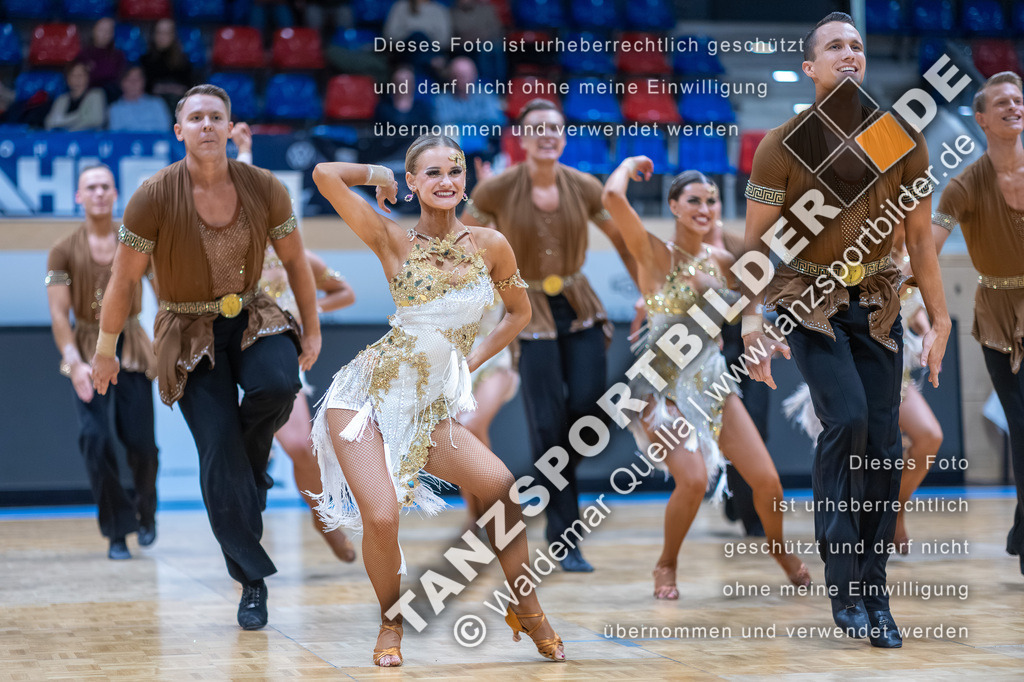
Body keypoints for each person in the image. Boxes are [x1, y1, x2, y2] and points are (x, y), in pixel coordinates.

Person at [310, 136, 565, 666]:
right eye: (431, 173)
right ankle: (390, 622)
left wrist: (469, 362)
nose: (446, 181)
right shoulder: (391, 237)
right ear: (413, 183)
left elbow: (519, 313)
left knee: (501, 488)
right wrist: (378, 173)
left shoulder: (491, 244)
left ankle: (527, 607)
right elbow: (324, 176)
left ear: (465, 180)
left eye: (454, 170)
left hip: (427, 408)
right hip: (364, 400)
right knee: (383, 518)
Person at [740, 12, 950, 648]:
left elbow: (921, 240)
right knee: (849, 419)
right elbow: (756, 246)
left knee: (883, 444)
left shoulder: (897, 137)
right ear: (810, 67)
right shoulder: (782, 144)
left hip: (880, 302)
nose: (849, 53)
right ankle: (843, 584)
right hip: (808, 300)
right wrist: (751, 320)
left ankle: (874, 591)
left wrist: (941, 318)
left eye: (856, 45)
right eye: (835, 46)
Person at [92, 84, 321, 631]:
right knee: (218, 450)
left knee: (278, 385)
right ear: (179, 131)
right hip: (186, 328)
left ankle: (250, 469)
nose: (207, 125)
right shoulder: (152, 195)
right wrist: (105, 350)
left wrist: (311, 330)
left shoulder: (263, 186)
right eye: (196, 118)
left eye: (216, 116)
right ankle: (252, 582)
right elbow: (122, 280)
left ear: (229, 124)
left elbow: (296, 263)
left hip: (253, 313)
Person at [603, 161, 810, 598]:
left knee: (768, 482)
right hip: (659, 387)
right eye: (694, 200)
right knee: (694, 479)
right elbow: (612, 198)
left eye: (712, 201)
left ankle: (780, 551)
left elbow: (754, 294)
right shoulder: (655, 253)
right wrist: (629, 165)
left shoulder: (723, 260)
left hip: (712, 380)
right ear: (674, 206)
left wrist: (758, 333)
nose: (705, 208)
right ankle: (666, 564)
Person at [465, 98, 637, 572]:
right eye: (536, 128)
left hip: (580, 307)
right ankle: (566, 539)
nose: (546, 135)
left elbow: (624, 241)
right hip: (526, 311)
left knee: (588, 412)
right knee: (546, 424)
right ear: (521, 138)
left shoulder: (584, 186)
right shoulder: (497, 188)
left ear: (564, 137)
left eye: (554, 128)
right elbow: (459, 243)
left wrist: (647, 295)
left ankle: (546, 481)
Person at [230, 121, 361, 562]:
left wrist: (309, 312)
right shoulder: (230, 253)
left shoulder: (301, 259)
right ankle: (242, 541)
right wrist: (243, 150)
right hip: (231, 357)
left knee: (302, 448)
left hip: (279, 358)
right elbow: (240, 185)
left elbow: (345, 291)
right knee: (237, 455)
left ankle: (324, 519)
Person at [931, 70, 1024, 575]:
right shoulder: (964, 185)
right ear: (982, 119)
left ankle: (1021, 527)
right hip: (996, 319)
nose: (1013, 106)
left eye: (1018, 99)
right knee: (1021, 425)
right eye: (1002, 102)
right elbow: (927, 248)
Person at [46, 164, 158, 561]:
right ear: (79, 196)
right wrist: (74, 363)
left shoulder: (138, 241)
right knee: (94, 439)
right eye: (90, 187)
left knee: (142, 444)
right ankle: (117, 530)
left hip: (133, 347)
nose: (98, 193)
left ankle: (146, 508)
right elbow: (59, 315)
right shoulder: (62, 250)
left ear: (115, 194)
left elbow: (164, 292)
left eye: (104, 186)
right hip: (87, 349)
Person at [456, 293, 520, 533]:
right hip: (454, 362)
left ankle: (490, 507)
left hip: (495, 357)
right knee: (461, 435)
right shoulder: (439, 272)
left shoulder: (501, 270)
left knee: (471, 424)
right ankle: (476, 513)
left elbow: (521, 313)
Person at [140, 19, 193, 110]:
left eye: (167, 33)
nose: (162, 37)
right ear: (153, 35)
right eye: (159, 32)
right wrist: (171, 88)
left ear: (173, 35)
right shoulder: (145, 60)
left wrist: (163, 88)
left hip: (177, 105)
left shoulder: (183, 61)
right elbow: (146, 88)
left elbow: (188, 88)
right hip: (151, 107)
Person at [44, 61, 106, 131]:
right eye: (73, 75)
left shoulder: (96, 95)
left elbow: (96, 120)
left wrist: (65, 125)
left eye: (80, 75)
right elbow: (49, 123)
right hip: (63, 137)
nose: (77, 79)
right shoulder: (61, 99)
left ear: (88, 78)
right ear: (67, 79)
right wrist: (78, 118)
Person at [108, 66, 172, 132]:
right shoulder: (115, 109)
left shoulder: (157, 104)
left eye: (137, 79)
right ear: (122, 83)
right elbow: (116, 134)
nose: (133, 83)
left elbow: (165, 130)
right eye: (129, 79)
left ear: (144, 82)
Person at [77, 17, 126, 102]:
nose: (104, 34)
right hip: (88, 97)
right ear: (94, 30)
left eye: (108, 31)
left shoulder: (118, 55)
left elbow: (119, 80)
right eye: (101, 30)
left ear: (112, 34)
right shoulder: (84, 54)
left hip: (111, 97)